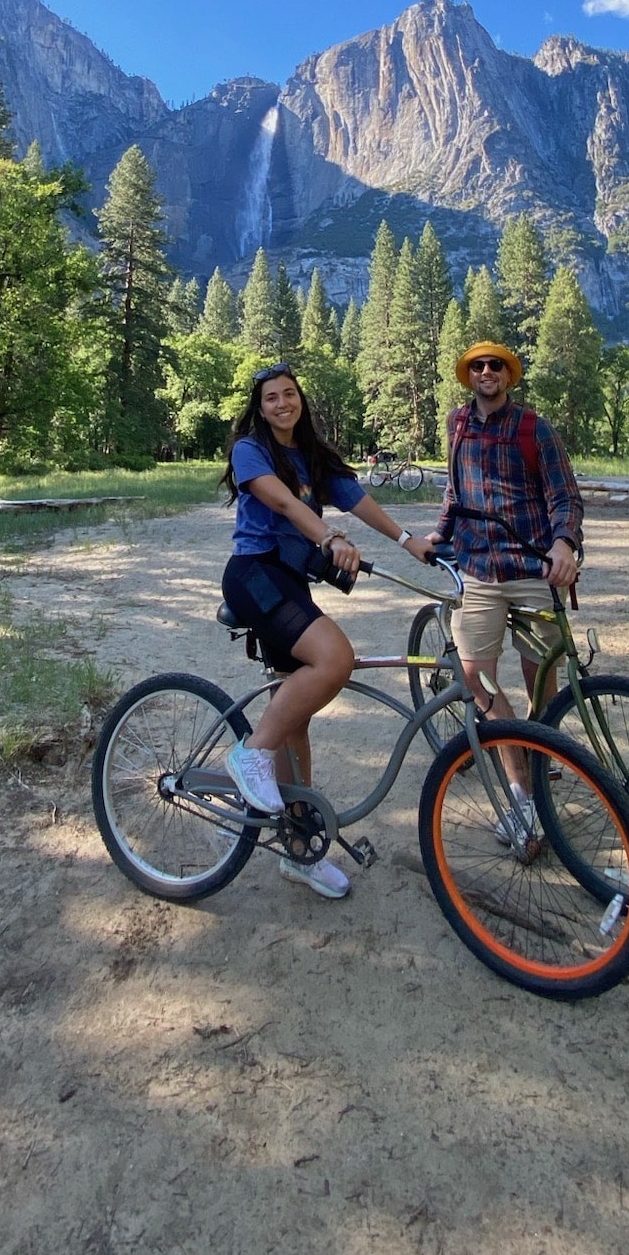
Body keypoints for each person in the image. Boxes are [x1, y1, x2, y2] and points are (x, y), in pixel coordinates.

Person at [220, 363, 437, 899]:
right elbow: (283, 503)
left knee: (299, 725)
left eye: (289, 394)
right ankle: (250, 754)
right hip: (254, 576)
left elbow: (361, 502)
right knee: (335, 658)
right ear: (260, 406)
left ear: (301, 401)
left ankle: (299, 849)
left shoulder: (313, 455)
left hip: (290, 583)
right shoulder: (250, 449)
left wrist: (411, 540)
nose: (281, 404)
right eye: (271, 398)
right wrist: (331, 535)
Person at [428, 341, 583, 842]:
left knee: (543, 683)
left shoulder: (534, 428)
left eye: (496, 366)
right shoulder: (457, 425)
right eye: (478, 366)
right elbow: (456, 492)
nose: (487, 372)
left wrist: (563, 544)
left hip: (531, 568)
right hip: (477, 570)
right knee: (479, 682)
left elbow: (564, 496)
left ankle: (542, 762)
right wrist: (439, 534)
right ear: (468, 375)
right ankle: (521, 797)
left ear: (508, 376)